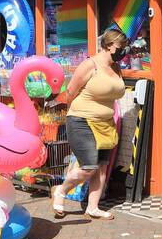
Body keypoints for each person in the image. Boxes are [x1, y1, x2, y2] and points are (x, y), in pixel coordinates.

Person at [50, 28, 129, 220]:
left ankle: (93, 207)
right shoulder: (89, 65)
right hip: (81, 121)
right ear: (109, 45)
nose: (123, 51)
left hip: (105, 124)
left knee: (101, 166)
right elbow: (70, 91)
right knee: (89, 166)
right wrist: (72, 114)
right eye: (120, 47)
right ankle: (61, 190)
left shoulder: (116, 68)